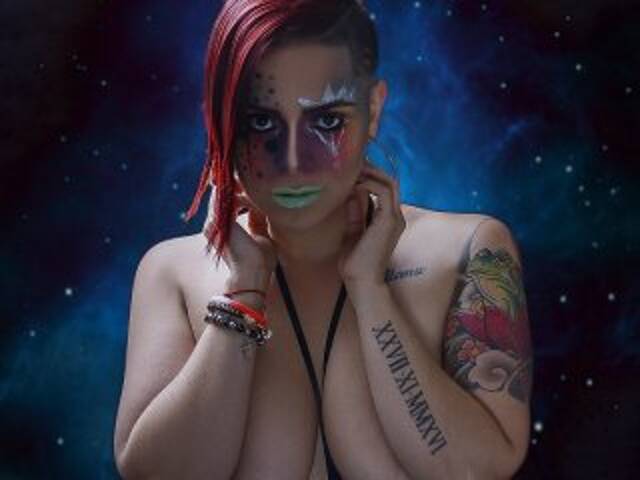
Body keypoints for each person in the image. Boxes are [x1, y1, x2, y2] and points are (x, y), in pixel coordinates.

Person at [113, 0, 533, 478]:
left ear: (373, 109)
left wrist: (372, 294)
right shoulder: (172, 272)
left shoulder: (467, 252)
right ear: (218, 122)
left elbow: (478, 471)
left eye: (327, 121)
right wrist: (243, 294)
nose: (295, 161)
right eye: (260, 121)